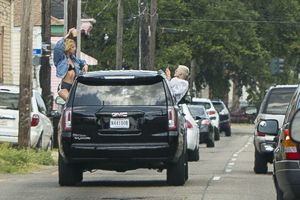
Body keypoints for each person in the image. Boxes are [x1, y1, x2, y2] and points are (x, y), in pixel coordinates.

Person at [53, 28, 88, 101]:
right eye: (73, 47)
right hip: (64, 88)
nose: (75, 49)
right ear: (68, 48)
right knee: (70, 102)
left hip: (74, 87)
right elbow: (57, 47)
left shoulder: (74, 60)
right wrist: (69, 34)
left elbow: (83, 62)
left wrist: (85, 65)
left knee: (78, 103)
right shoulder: (60, 60)